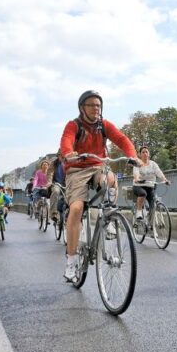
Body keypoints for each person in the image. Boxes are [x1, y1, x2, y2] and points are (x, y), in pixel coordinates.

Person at [59, 90, 139, 282]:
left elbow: (122, 139)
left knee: (110, 179)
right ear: (82, 108)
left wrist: (132, 155)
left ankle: (108, 217)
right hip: (77, 169)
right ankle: (71, 261)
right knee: (76, 208)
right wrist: (69, 153)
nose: (96, 108)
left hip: (97, 166)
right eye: (92, 105)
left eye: (98, 105)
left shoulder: (104, 125)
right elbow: (66, 141)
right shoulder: (74, 125)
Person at [132, 145, 169, 223]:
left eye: (146, 152)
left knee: (153, 203)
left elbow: (159, 172)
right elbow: (136, 174)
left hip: (150, 186)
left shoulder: (153, 164)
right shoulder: (137, 163)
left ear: (149, 154)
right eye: (143, 152)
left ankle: (150, 223)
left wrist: (165, 180)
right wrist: (137, 179)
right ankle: (139, 211)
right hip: (139, 186)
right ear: (140, 154)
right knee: (143, 193)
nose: (145, 153)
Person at [48, 151, 66, 224]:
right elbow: (50, 173)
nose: (63, 156)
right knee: (55, 191)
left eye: (64, 155)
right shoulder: (54, 163)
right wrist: (49, 181)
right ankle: (53, 213)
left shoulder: (69, 162)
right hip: (56, 183)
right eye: (61, 155)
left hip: (67, 184)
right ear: (58, 156)